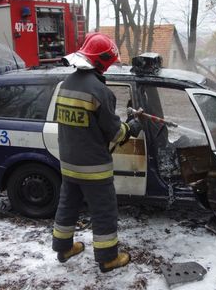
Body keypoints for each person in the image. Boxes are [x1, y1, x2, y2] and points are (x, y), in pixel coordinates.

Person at [52, 33, 142, 273]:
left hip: (68, 164)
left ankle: (63, 248)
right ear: (103, 61)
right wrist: (132, 126)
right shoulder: (101, 92)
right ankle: (108, 258)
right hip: (94, 169)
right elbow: (115, 134)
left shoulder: (64, 86)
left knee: (67, 205)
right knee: (104, 212)